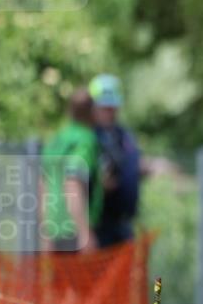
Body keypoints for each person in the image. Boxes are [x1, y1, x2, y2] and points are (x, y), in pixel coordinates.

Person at [41, 88, 102, 252]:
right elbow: (73, 182)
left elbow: (43, 187)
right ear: (92, 111)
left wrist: (45, 231)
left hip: (54, 229)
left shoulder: (56, 139)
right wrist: (84, 232)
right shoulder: (85, 139)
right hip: (75, 230)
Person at [89, 73, 142, 248]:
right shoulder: (87, 138)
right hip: (98, 227)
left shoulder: (123, 135)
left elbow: (132, 164)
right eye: (105, 108)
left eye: (113, 107)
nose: (110, 112)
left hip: (122, 225)